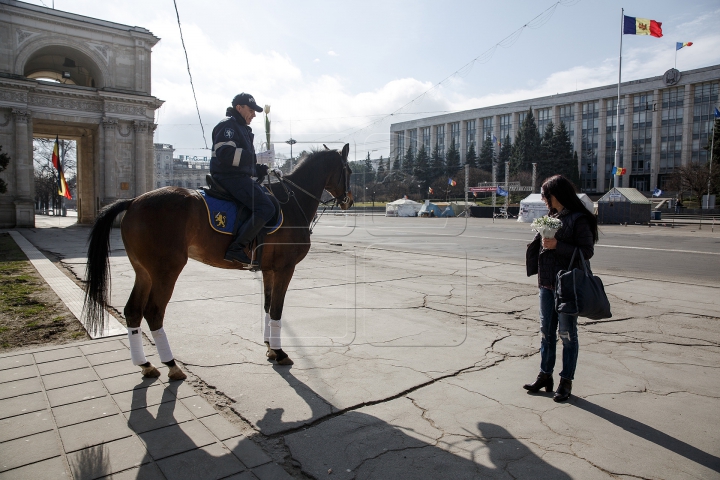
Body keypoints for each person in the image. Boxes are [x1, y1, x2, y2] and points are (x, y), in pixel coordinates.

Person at [524, 175, 598, 402]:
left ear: (556, 195)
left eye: (546, 194)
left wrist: (558, 245)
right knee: (546, 333)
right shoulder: (551, 216)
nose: (544, 199)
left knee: (566, 334)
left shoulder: (579, 219)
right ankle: (545, 375)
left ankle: (566, 381)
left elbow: (586, 251)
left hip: (567, 285)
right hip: (546, 284)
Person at [210, 93, 274, 266]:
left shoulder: (242, 128)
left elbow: (245, 163)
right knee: (266, 207)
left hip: (237, 176)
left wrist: (265, 169)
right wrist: (257, 158)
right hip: (229, 177)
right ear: (239, 108)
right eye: (251, 110)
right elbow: (226, 154)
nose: (254, 114)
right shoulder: (228, 126)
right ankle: (237, 248)